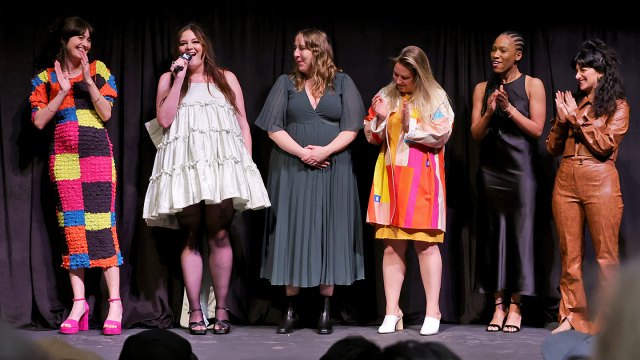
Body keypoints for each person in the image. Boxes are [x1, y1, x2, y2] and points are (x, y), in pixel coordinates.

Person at [143, 23, 270, 335]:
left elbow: (242, 124)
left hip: (221, 167)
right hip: (186, 168)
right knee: (189, 236)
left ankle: (222, 309)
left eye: (195, 41)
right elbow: (164, 119)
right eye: (183, 43)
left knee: (220, 234)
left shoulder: (226, 78)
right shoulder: (169, 79)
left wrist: (246, 166)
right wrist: (179, 78)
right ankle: (196, 311)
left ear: (204, 46)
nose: (189, 46)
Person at [256, 29, 365, 335]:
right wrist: (303, 153)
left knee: (329, 231)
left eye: (303, 48)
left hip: (335, 168)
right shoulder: (285, 84)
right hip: (291, 168)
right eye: (294, 48)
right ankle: (291, 310)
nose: (296, 53)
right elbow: (273, 128)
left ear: (318, 51)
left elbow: (352, 127)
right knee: (291, 229)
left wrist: (326, 151)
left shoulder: (342, 83)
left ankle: (325, 310)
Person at [29, 16, 123, 336]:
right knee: (74, 231)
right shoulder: (45, 77)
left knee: (102, 228)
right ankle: (79, 303)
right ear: (65, 40)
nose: (85, 44)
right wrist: (63, 90)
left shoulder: (99, 70)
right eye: (79, 39)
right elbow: (39, 121)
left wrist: (87, 82)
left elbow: (107, 113)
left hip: (97, 156)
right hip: (65, 161)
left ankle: (115, 304)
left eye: (88, 40)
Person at [364, 46, 454, 336]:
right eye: (396, 75)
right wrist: (379, 117)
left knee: (426, 245)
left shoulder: (435, 96)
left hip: (422, 179)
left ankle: (433, 311)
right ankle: (393, 310)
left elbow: (441, 133)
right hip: (391, 178)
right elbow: (371, 134)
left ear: (419, 75)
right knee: (391, 245)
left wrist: (409, 125)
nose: (399, 81)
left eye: (405, 77)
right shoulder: (387, 94)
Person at [547, 39, 628, 335]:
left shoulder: (618, 107)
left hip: (601, 182)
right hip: (566, 181)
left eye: (584, 70)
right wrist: (560, 120)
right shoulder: (573, 104)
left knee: (606, 256)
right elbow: (553, 148)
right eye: (577, 70)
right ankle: (571, 317)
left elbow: (605, 145)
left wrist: (576, 120)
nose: (578, 75)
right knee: (570, 256)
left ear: (600, 72)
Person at [470, 31, 546, 333]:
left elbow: (537, 130)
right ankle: (498, 307)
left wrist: (509, 109)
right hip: (490, 171)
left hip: (520, 171)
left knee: (519, 237)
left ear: (518, 55)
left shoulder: (532, 84)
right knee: (491, 237)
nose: (495, 55)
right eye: (493, 50)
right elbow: (475, 133)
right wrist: (489, 112)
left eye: (503, 50)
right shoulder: (481, 88)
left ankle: (516, 306)